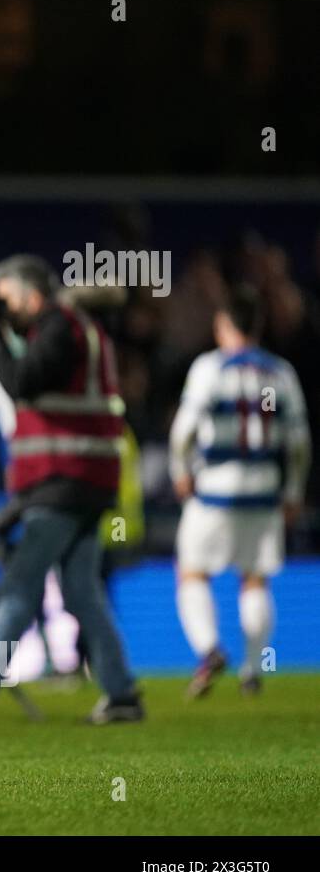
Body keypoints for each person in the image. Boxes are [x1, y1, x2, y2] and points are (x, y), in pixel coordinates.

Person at [0, 254, 143, 724]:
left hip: (64, 476)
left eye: (6, 300)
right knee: (81, 590)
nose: (4, 311)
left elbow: (23, 382)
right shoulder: (71, 326)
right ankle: (122, 694)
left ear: (30, 294)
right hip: (85, 475)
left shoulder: (60, 327)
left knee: (21, 585)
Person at [170, 284, 310, 697]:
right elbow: (299, 441)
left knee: (192, 571)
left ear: (223, 325)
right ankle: (252, 668)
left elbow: (183, 431)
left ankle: (210, 649)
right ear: (260, 325)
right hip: (265, 488)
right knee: (255, 579)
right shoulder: (281, 372)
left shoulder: (210, 368)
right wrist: (294, 491)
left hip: (214, 485)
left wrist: (181, 470)